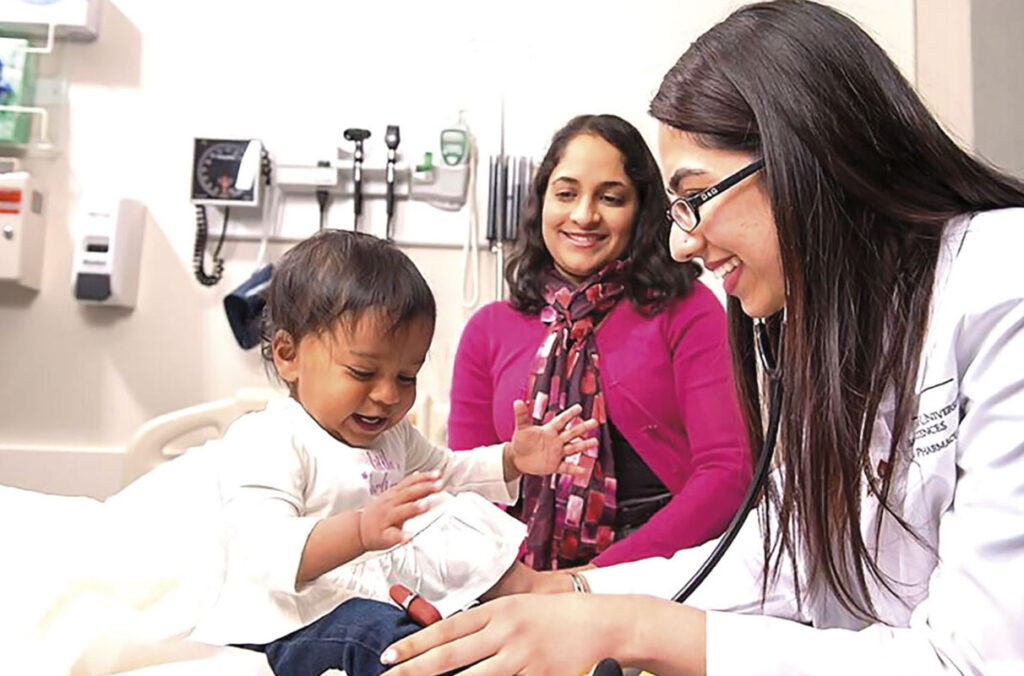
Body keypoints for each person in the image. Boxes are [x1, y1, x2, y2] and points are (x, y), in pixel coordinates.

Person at [380, 2, 1024, 674]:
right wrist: (562, 595)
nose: (684, 242)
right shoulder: (839, 326)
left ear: (805, 153)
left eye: (693, 197)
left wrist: (625, 625)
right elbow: (781, 553)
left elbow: (977, 662)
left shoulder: (1003, 287)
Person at [188, 229, 599, 676]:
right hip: (285, 621)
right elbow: (266, 552)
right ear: (289, 355)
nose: (386, 395)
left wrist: (512, 460)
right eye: (363, 372)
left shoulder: (393, 437)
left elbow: (447, 472)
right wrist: (361, 530)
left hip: (358, 598)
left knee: (452, 559)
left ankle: (545, 636)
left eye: (406, 377)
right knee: (380, 634)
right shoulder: (271, 438)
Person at [449, 114, 751, 570]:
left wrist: (590, 582)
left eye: (610, 198)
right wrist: (510, 585)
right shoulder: (488, 330)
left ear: (642, 210)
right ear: (541, 202)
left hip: (658, 574)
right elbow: (465, 492)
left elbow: (729, 474)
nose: (584, 215)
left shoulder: (688, 310)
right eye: (566, 193)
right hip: (516, 578)